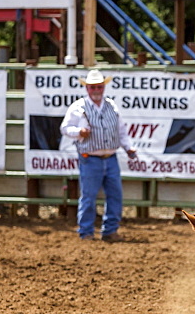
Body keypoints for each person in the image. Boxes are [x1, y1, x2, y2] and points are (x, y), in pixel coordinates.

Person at [59, 68, 137, 241]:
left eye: (99, 87)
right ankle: (86, 231)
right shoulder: (78, 107)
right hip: (89, 158)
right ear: (87, 88)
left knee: (115, 195)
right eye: (93, 87)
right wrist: (79, 131)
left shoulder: (111, 106)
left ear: (103, 87)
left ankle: (110, 230)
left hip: (110, 157)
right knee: (88, 196)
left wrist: (128, 147)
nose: (96, 90)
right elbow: (65, 128)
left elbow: (121, 130)